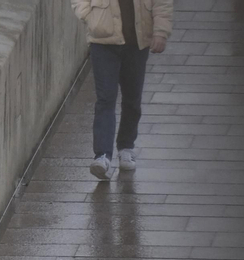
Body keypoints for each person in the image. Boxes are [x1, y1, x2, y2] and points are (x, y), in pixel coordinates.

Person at [73, 0, 173, 179]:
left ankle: (126, 147)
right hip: (103, 41)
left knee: (132, 99)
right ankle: (102, 155)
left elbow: (162, 2)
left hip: (137, 43)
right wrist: (90, 17)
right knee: (105, 99)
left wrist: (161, 32)